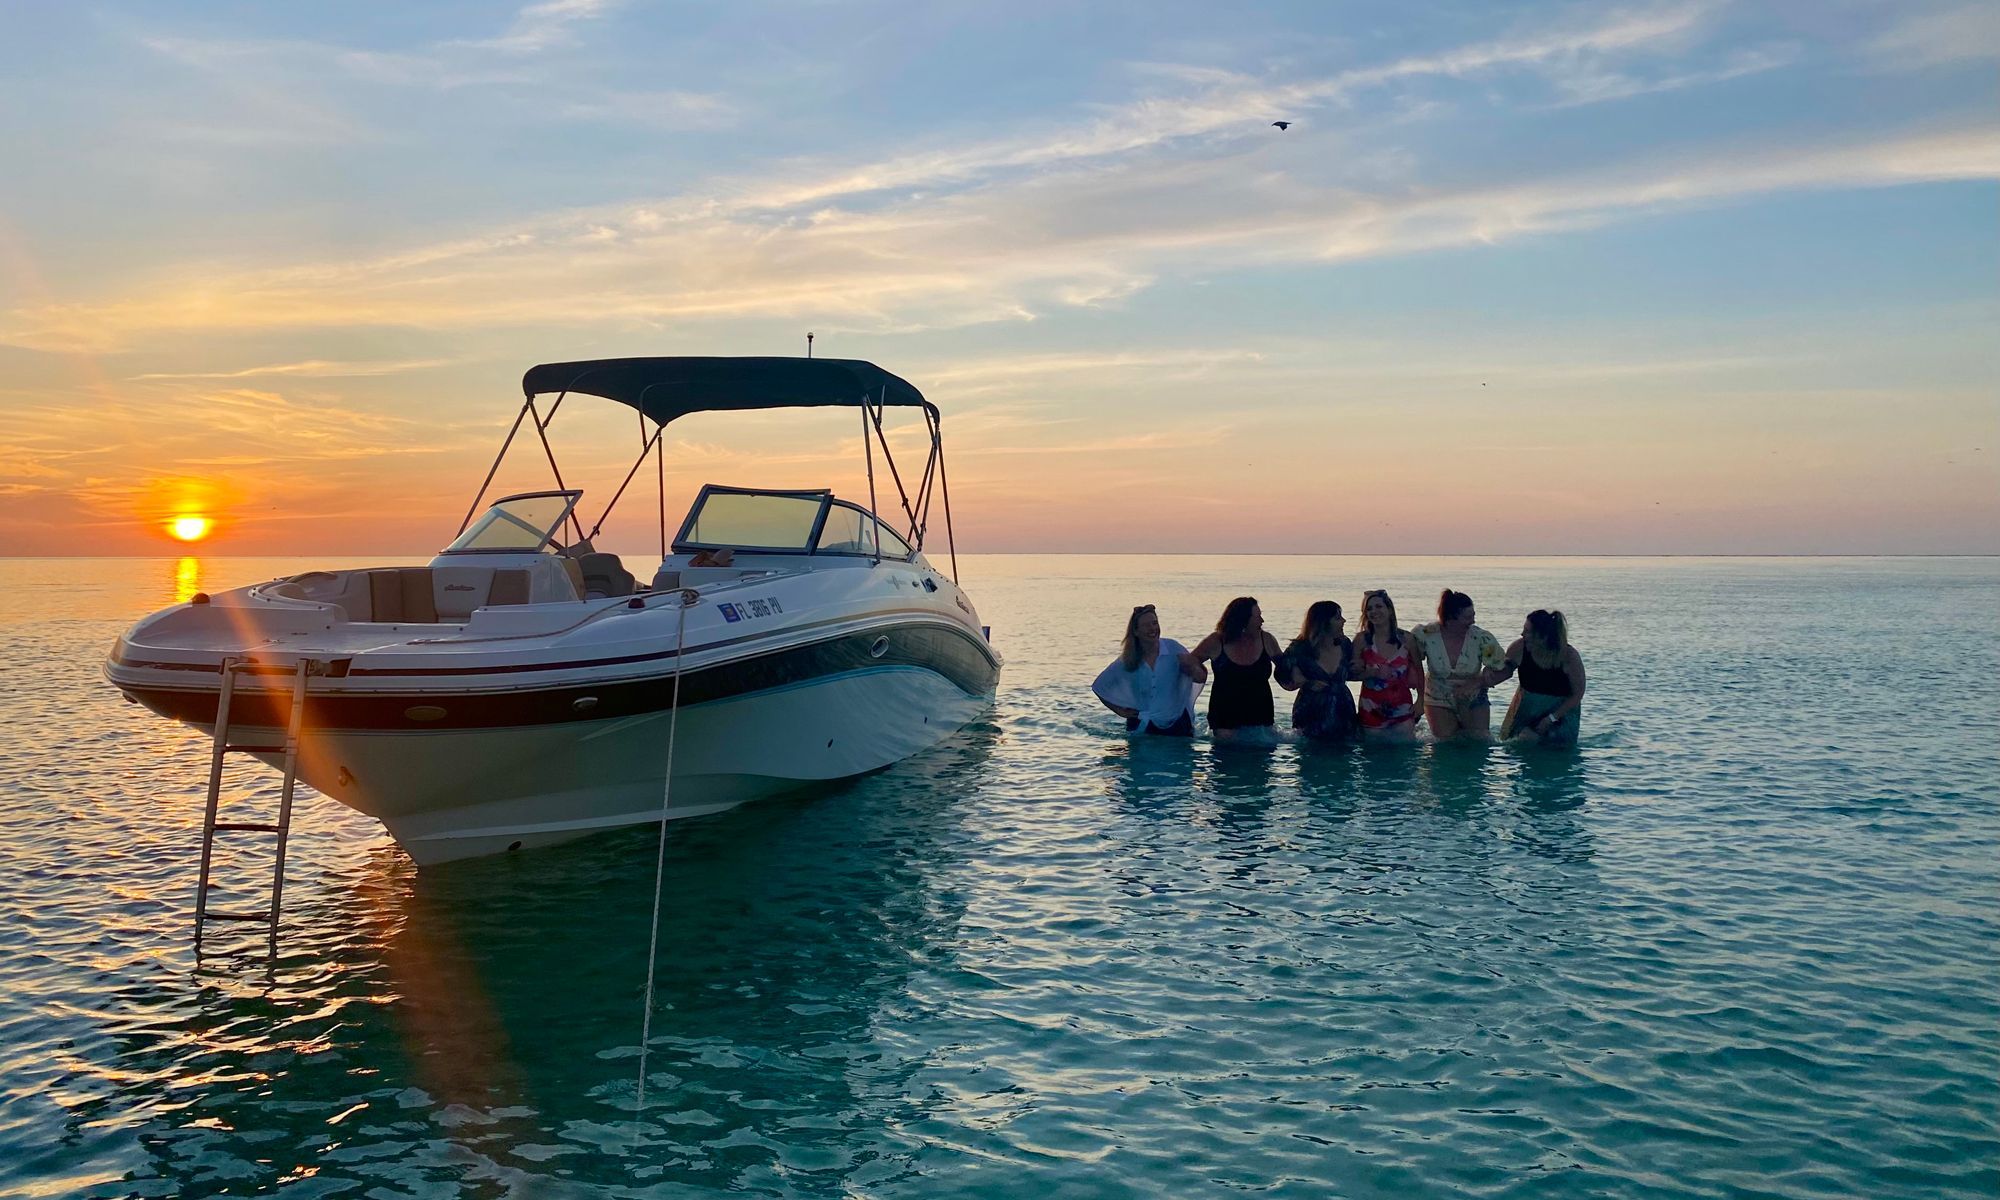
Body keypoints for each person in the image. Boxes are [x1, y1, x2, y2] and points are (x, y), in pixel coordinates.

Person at [1092, 604, 1206, 736]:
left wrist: (1192, 667)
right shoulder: (1128, 660)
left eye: (1154, 623)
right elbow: (1099, 686)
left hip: (1177, 724)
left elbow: (1200, 678)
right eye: (1146, 625)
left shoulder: (1173, 649)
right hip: (1142, 725)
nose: (1152, 628)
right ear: (1135, 631)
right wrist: (1119, 710)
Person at [1412, 590, 1508, 739]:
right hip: (1437, 696)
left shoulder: (1482, 638)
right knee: (1446, 742)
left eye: (1473, 615)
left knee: (1479, 740)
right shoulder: (1425, 634)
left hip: (1473, 695)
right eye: (1468, 617)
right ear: (1450, 619)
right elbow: (1408, 662)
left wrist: (1480, 680)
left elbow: (1505, 670)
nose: (1473, 621)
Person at [1190, 596, 1285, 742]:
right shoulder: (1216, 641)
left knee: (1261, 761)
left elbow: (1287, 668)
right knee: (1228, 758)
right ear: (1243, 619)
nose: (1262, 620)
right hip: (1224, 719)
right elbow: (1191, 661)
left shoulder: (1267, 640)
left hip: (1261, 718)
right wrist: (1200, 674)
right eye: (1258, 616)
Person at [1488, 609, 1586, 745]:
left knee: (1548, 745)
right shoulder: (1519, 648)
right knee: (1516, 743)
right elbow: (1504, 672)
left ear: (1543, 637)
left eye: (1527, 631)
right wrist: (1482, 679)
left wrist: (1551, 718)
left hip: (1560, 712)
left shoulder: (1569, 656)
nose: (1522, 634)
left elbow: (1578, 694)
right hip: (1527, 708)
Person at [1279, 600, 1357, 742]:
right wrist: (1304, 682)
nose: (1344, 621)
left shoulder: (1345, 644)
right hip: (1311, 713)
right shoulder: (1300, 648)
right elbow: (1282, 676)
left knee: (1345, 758)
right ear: (1323, 622)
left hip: (1343, 710)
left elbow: (1352, 672)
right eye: (1338, 618)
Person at [1354, 589, 1423, 740]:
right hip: (1370, 709)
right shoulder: (1361, 640)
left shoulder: (1407, 639)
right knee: (1373, 759)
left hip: (1403, 708)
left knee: (1404, 758)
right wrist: (1371, 672)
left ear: (1390, 610)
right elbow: (1351, 673)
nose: (1374, 612)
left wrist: (1421, 701)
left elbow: (1419, 670)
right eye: (1369, 609)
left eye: (1379, 606)